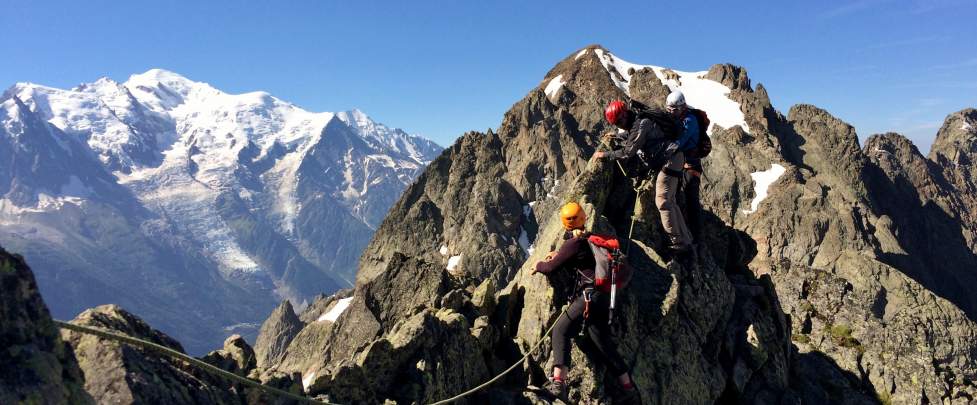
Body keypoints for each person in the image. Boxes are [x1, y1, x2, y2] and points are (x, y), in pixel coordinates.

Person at [534, 202, 640, 404]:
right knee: (603, 343)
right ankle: (629, 388)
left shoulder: (573, 243)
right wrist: (558, 254)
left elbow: (550, 268)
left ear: (565, 223)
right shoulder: (590, 239)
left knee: (560, 330)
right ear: (584, 218)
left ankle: (558, 384)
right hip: (605, 298)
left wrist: (538, 265)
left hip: (589, 297)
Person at [594, 100, 693, 257]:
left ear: (624, 115)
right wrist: (618, 135)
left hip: (670, 160)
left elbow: (628, 152)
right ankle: (686, 240)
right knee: (671, 201)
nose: (620, 125)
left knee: (663, 201)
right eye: (616, 124)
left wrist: (605, 155)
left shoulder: (642, 123)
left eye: (619, 122)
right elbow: (633, 135)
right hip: (673, 158)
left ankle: (679, 243)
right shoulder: (637, 121)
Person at [666, 91, 705, 245]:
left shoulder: (690, 121)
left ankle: (697, 237)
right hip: (682, 163)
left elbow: (680, 142)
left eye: (674, 109)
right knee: (678, 196)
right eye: (669, 109)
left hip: (691, 165)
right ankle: (684, 229)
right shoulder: (679, 118)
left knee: (691, 199)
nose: (671, 112)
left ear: (682, 107)